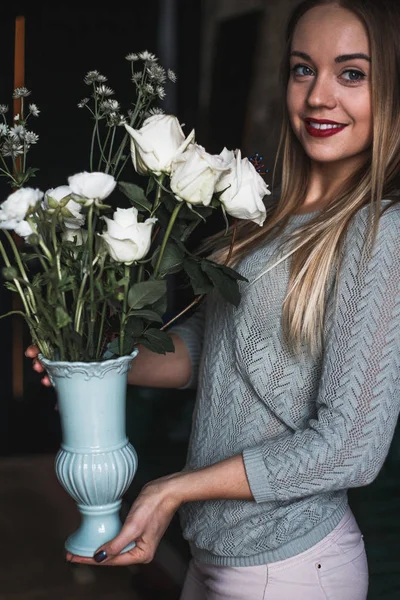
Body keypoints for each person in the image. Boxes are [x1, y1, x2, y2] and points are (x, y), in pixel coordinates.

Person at [26, 0, 400, 598]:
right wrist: (99, 363)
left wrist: (172, 488)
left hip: (295, 565)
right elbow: (214, 355)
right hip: (216, 551)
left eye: (351, 73)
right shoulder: (270, 214)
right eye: (304, 69)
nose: (319, 96)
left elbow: (350, 449)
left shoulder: (381, 232)